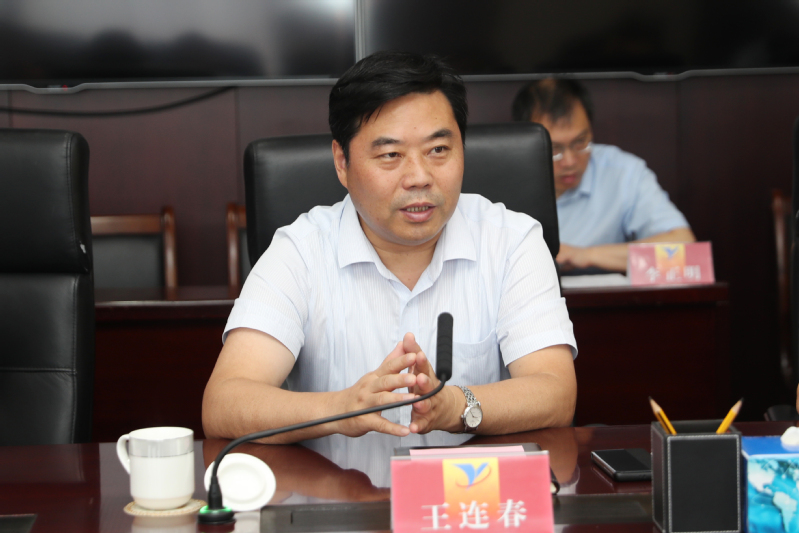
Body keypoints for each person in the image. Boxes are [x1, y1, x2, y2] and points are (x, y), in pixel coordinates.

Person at [202, 52, 577, 453]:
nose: (419, 177)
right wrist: (340, 408)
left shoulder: (512, 241)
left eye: (438, 149)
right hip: (335, 490)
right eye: (390, 155)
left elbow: (555, 392)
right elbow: (225, 403)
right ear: (342, 162)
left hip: (469, 490)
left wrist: (456, 406)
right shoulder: (300, 252)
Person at [512, 79, 695, 273]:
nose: (570, 161)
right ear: (526, 141)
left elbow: (685, 248)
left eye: (580, 142)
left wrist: (585, 255)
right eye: (554, 148)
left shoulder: (623, 172)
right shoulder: (504, 176)